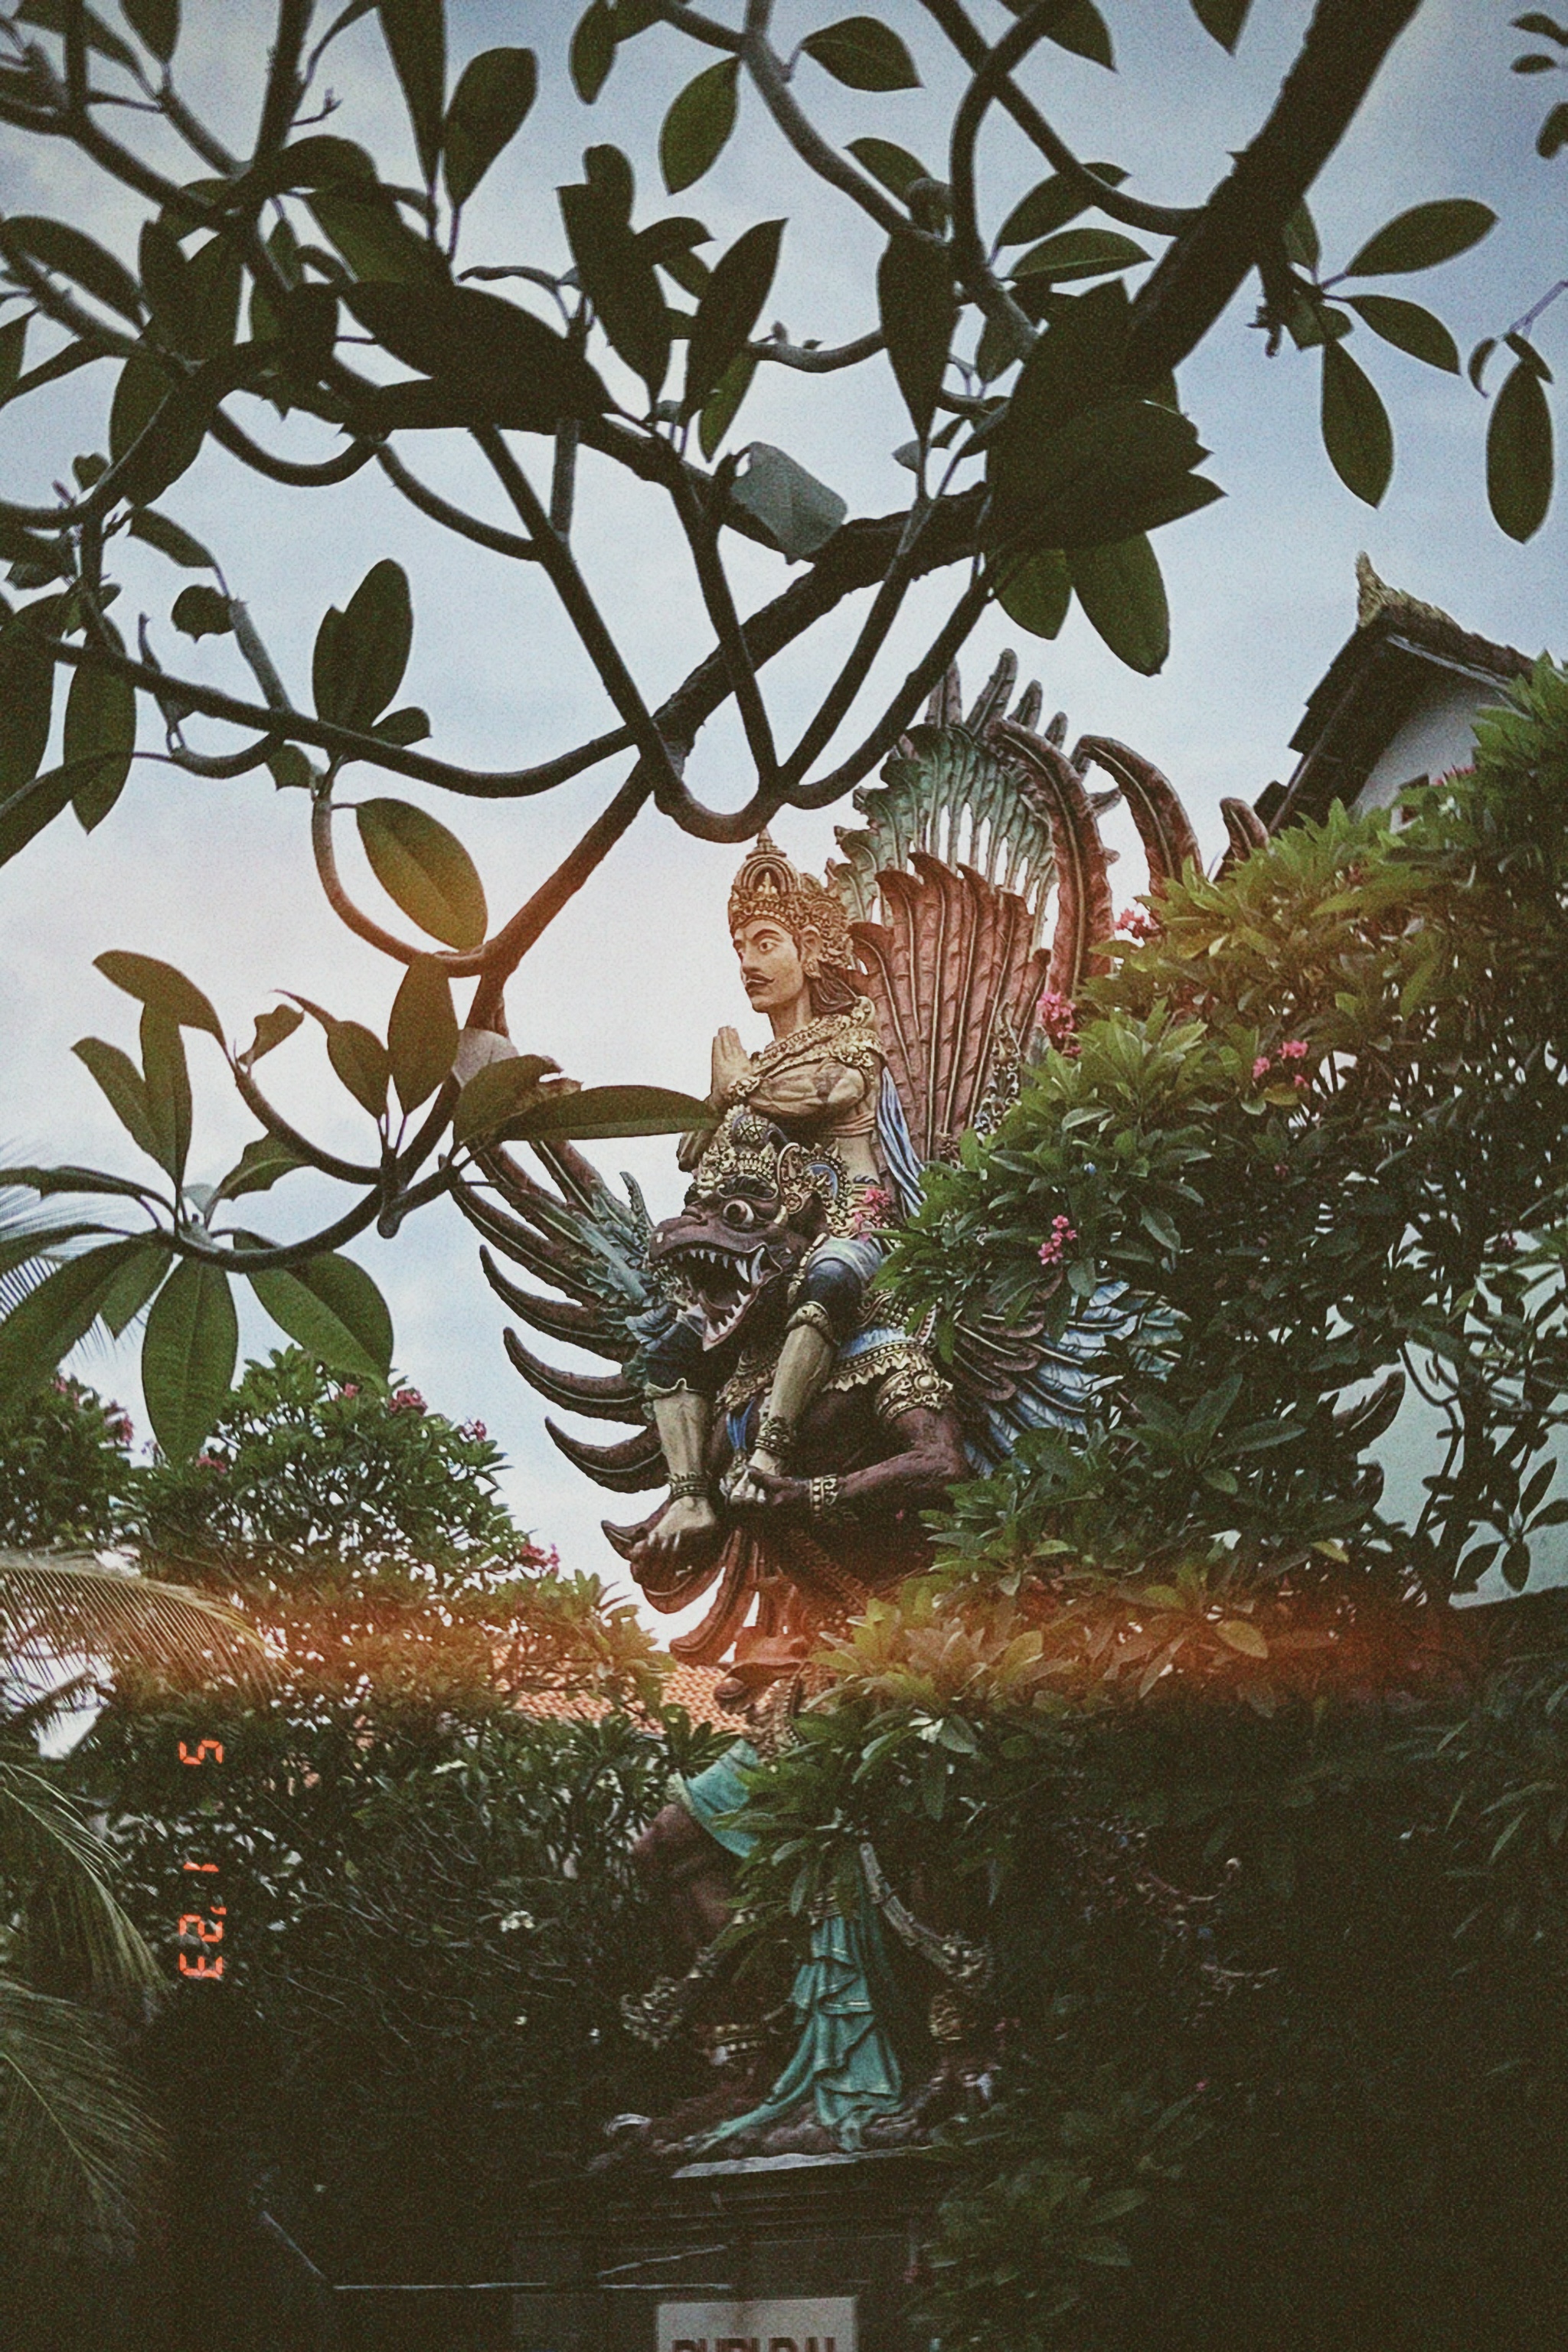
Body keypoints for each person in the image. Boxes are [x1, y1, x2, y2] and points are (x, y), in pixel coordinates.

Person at [642, 835, 921, 1563]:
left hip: (853, 1219)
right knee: (672, 1348)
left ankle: (770, 1451)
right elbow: (700, 1158)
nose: (748, 963)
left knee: (828, 1277)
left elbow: (829, 1094)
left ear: (811, 950)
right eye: (741, 948)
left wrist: (735, 1090)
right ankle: (690, 1495)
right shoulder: (751, 1065)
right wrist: (719, 1110)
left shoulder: (850, 1036)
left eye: (766, 943)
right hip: (763, 1240)